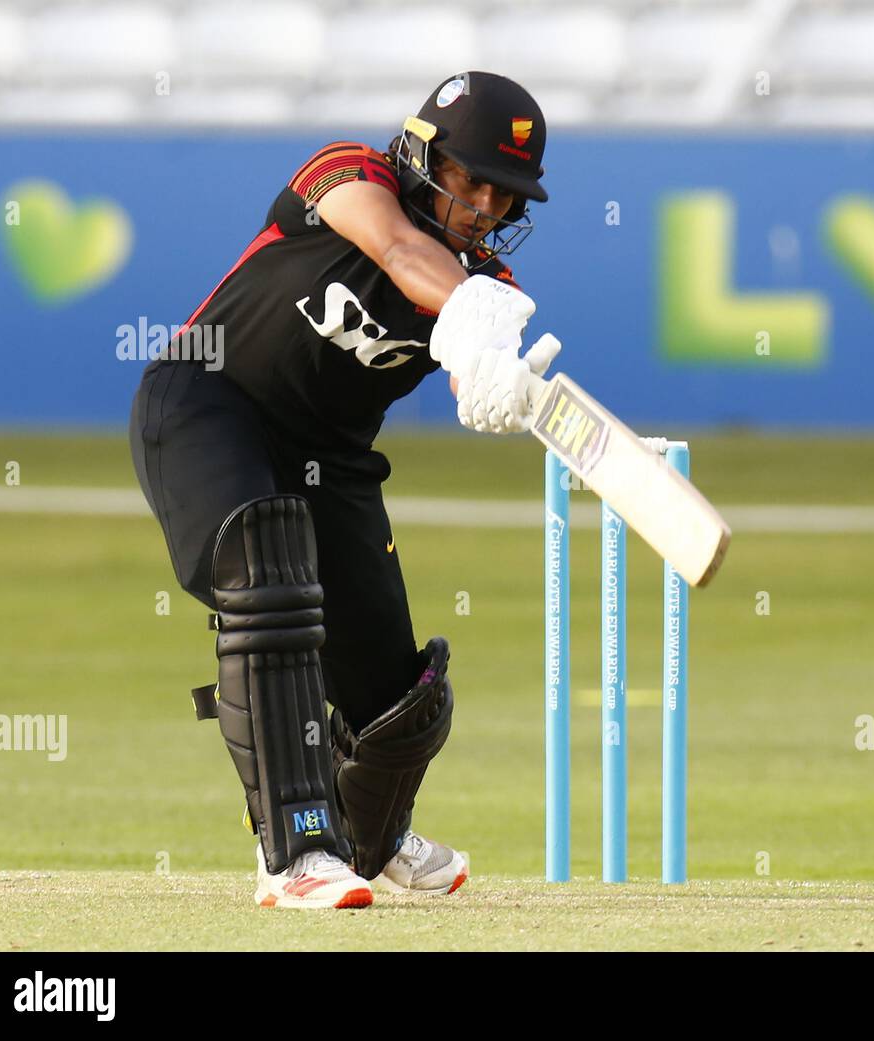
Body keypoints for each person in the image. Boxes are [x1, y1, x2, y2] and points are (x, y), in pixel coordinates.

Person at [128, 71, 559, 909]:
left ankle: (373, 840)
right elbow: (398, 250)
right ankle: (295, 851)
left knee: (401, 699)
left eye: (505, 196)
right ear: (421, 154)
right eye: (471, 180)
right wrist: (469, 316)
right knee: (269, 576)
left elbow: (473, 366)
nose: (485, 209)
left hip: (331, 456)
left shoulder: (487, 295)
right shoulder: (348, 172)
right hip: (207, 403)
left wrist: (493, 380)